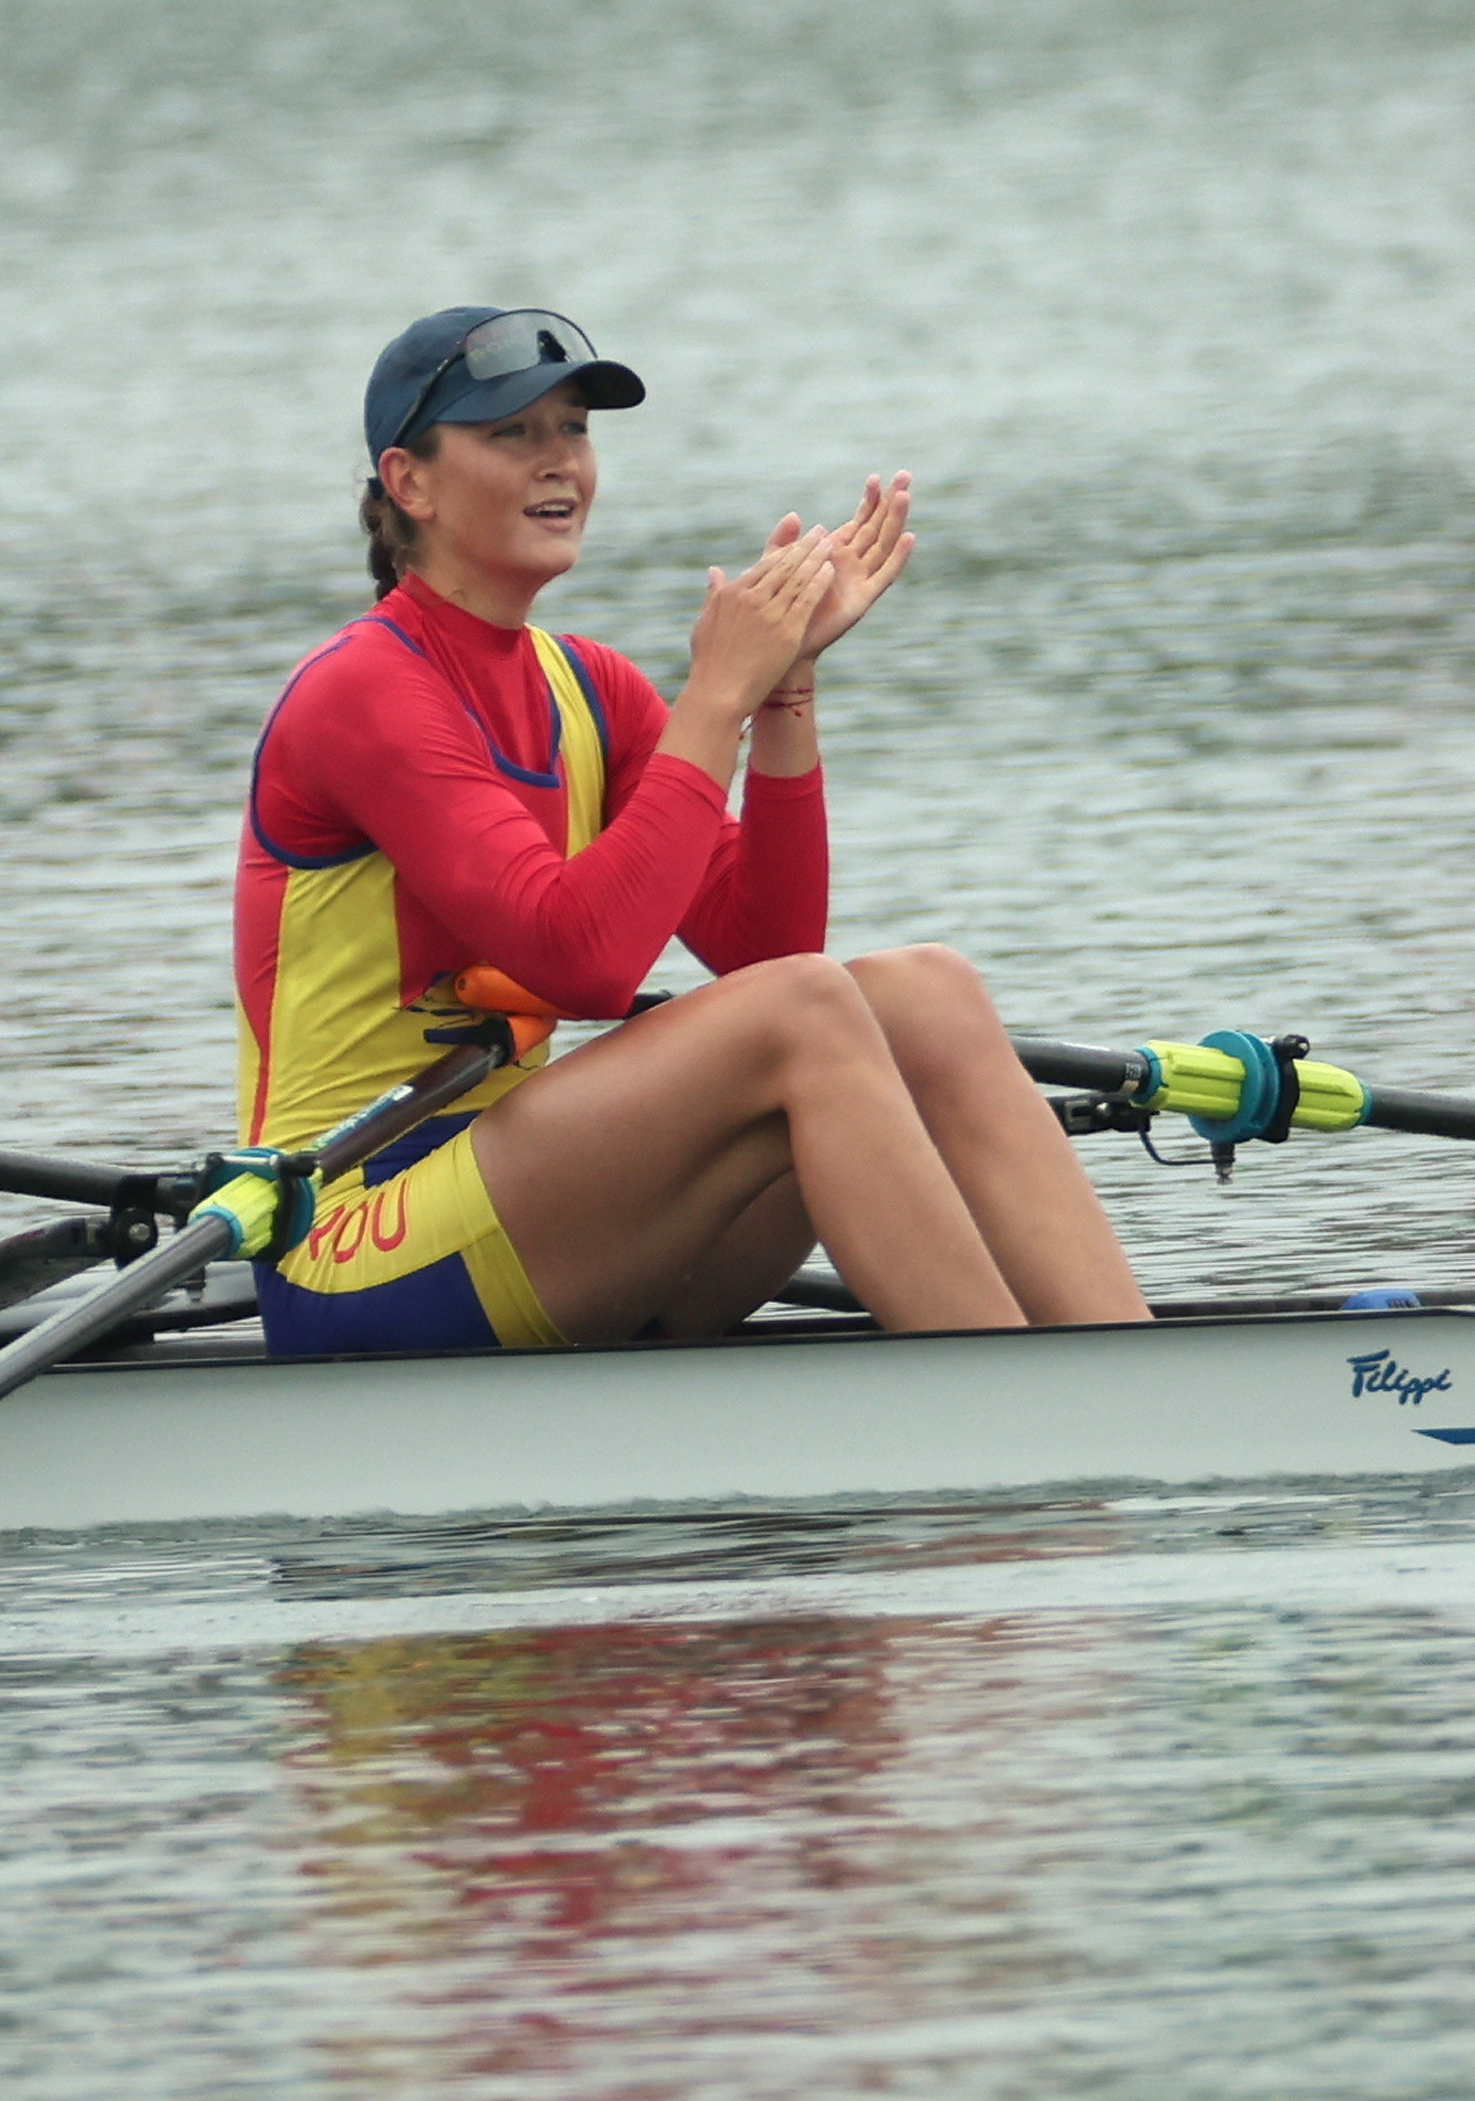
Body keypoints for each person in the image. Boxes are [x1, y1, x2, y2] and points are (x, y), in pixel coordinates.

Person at [233, 305, 1149, 1351]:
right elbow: (583, 962)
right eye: (511, 434)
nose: (559, 463)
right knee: (802, 1015)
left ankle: (1124, 1366)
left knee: (923, 993)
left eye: (573, 428)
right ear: (410, 484)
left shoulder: (589, 687)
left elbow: (767, 947)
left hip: (536, 1208)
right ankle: (1029, 1411)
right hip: (353, 1236)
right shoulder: (362, 691)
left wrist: (780, 693)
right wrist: (714, 699)